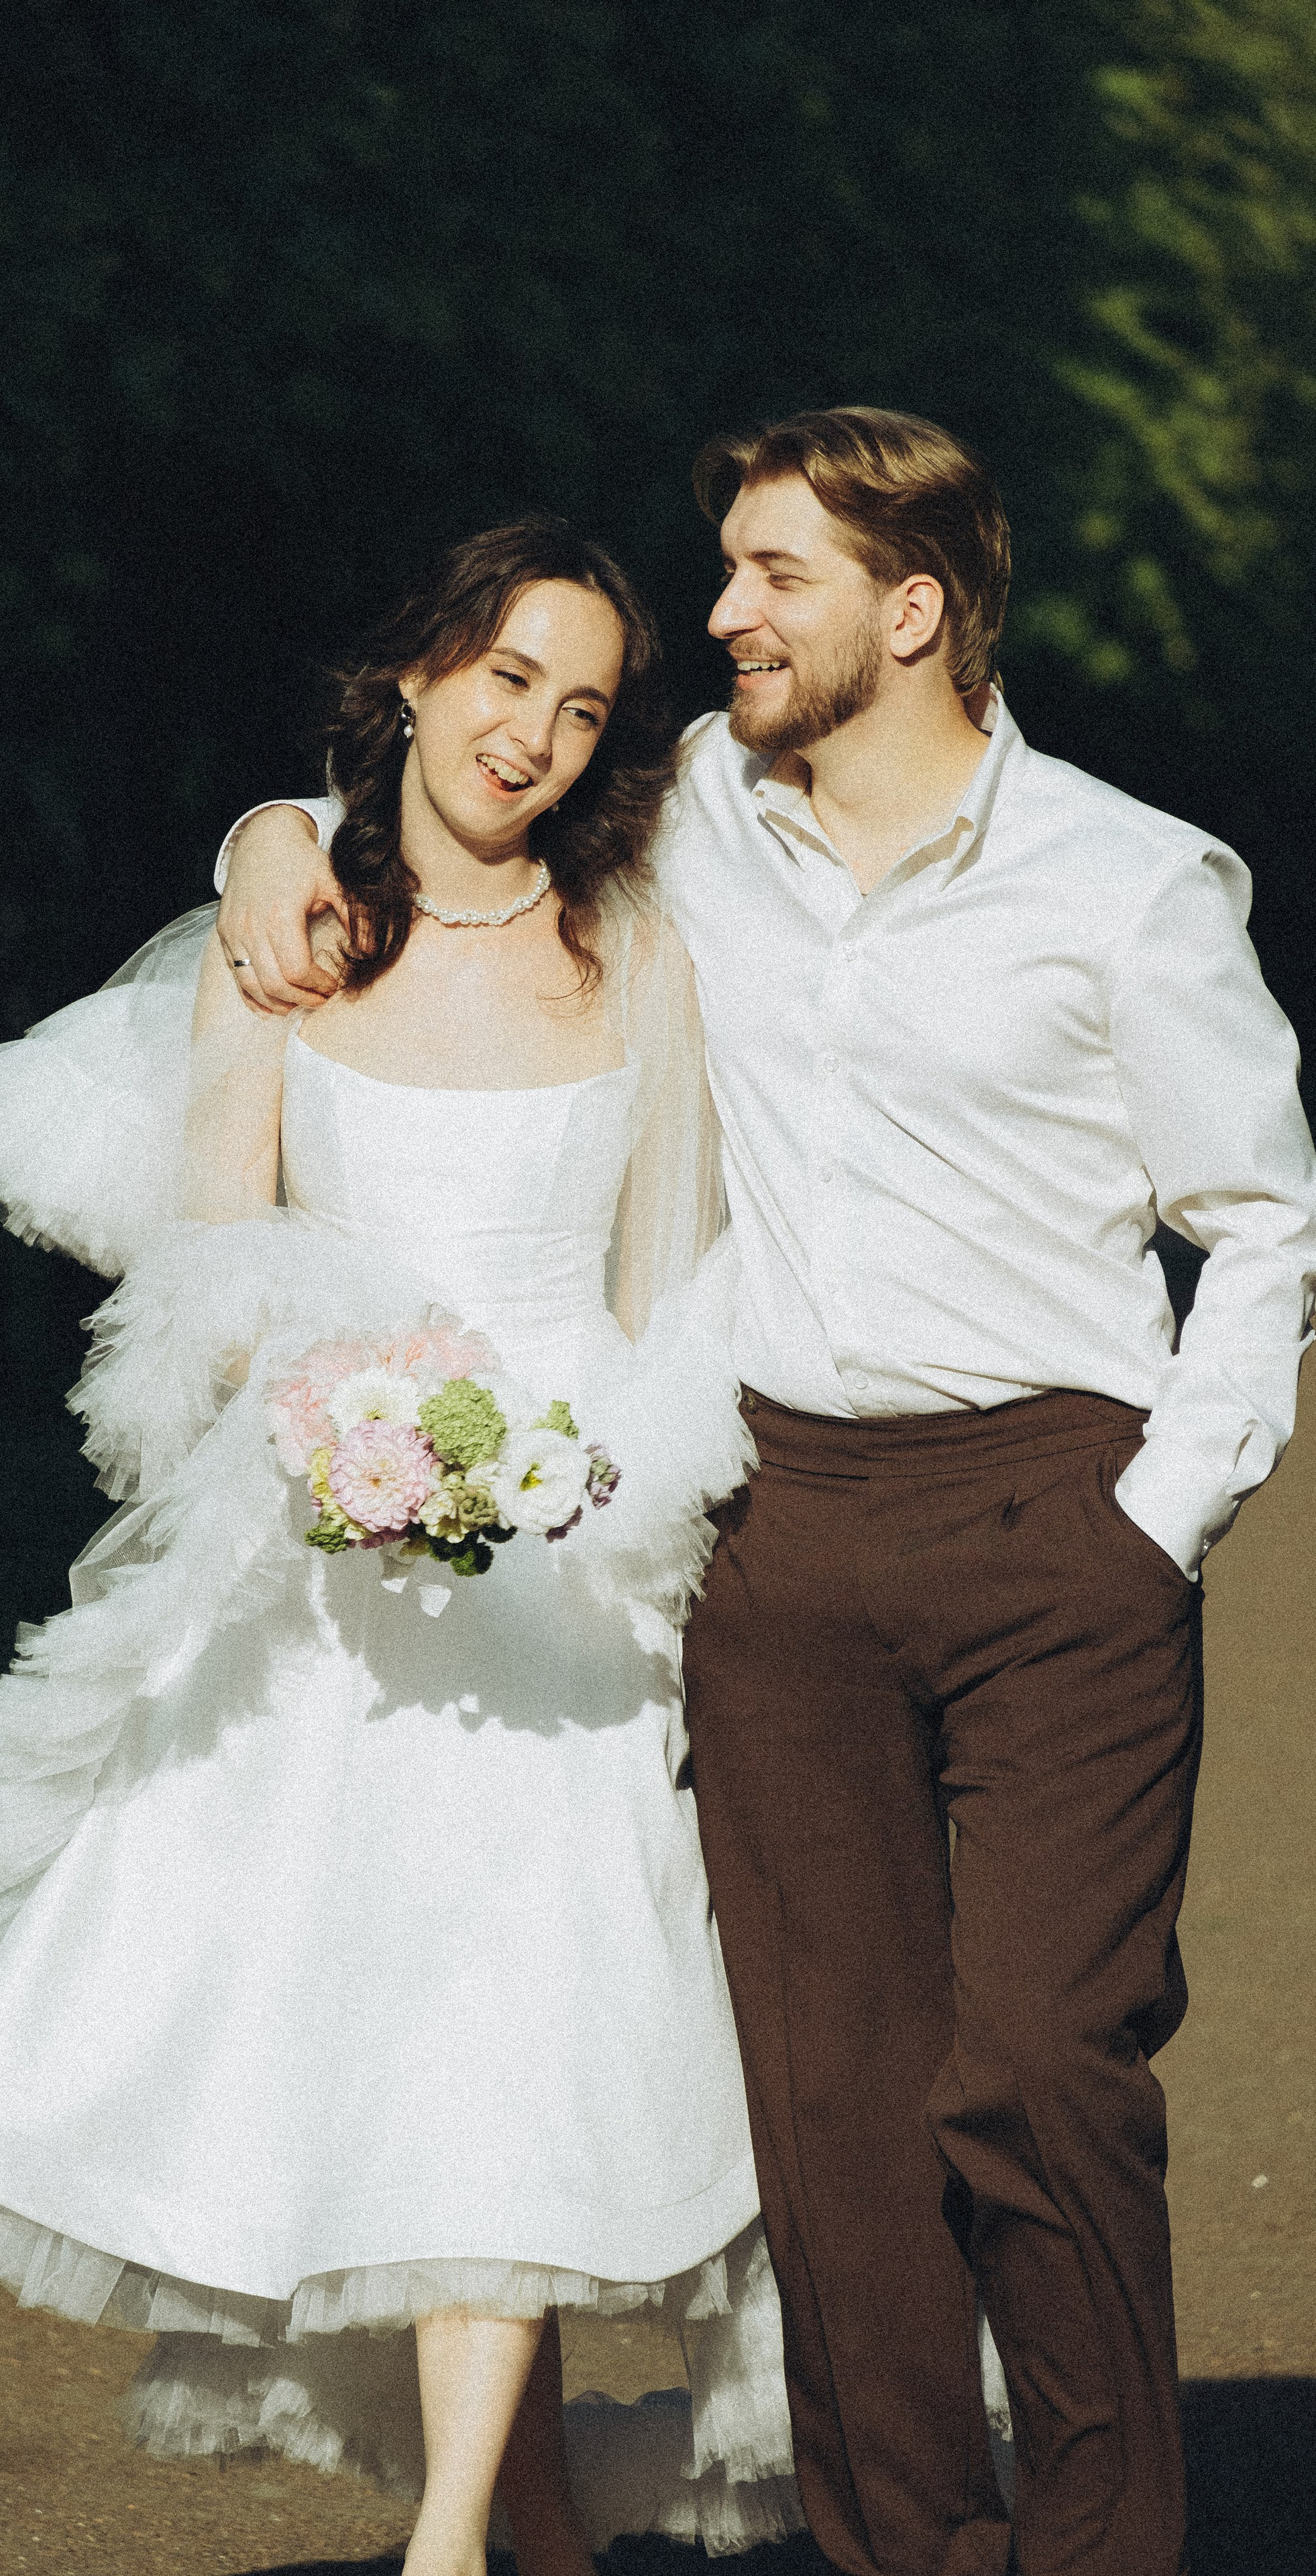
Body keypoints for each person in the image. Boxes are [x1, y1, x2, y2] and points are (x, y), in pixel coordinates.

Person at [215, 409, 1316, 2576]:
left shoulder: (1130, 882)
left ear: (913, 610)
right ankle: (901, 2549)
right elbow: (447, 807)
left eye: (773, 577)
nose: (722, 613)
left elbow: (1268, 1219)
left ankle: (1102, 2548)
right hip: (783, 1525)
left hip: (1051, 1516)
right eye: (722, 572)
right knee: (831, 2119)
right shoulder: (701, 809)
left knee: (1038, 2073)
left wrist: (1149, 1520)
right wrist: (272, 826)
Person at [0, 519, 812, 2576]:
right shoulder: (289, 926)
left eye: (581, 710)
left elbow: (676, 1275)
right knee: (394, 2039)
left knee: (527, 2021)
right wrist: (333, 1432)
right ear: (416, 674)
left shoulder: (638, 944)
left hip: (576, 1545)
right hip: (343, 1544)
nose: (536, 737)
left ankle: (459, 2542)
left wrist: (627, 1496)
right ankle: (526, 2524)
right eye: (506, 680)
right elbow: (219, 1256)